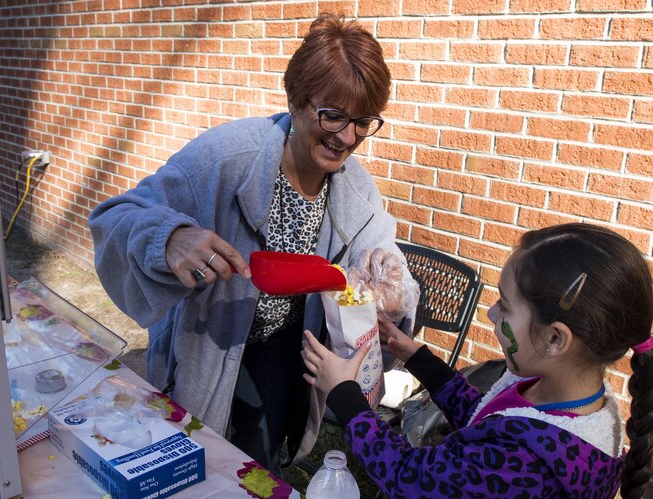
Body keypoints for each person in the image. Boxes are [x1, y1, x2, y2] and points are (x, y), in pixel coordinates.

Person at [89, 14, 413, 473]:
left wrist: (391, 285)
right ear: (297, 100)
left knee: (259, 464)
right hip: (213, 343)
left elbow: (389, 263)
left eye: (363, 122)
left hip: (286, 350)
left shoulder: (356, 190)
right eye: (333, 115)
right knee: (200, 461)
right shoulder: (225, 158)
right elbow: (117, 216)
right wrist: (171, 238)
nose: (347, 137)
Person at [302, 223, 653, 499]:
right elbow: (484, 420)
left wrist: (344, 394)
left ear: (555, 338)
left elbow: (408, 478)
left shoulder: (533, 460)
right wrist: (416, 357)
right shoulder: (555, 396)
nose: (491, 314)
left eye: (504, 306)